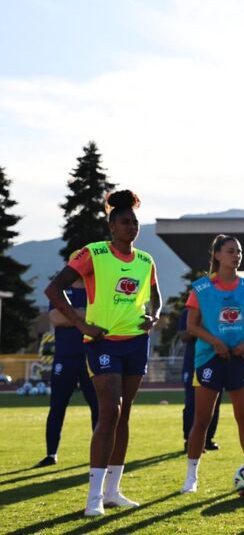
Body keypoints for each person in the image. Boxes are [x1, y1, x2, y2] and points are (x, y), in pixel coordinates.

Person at [44, 190, 161, 517]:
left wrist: (155, 315)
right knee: (109, 410)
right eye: (125, 222)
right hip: (103, 342)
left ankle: (113, 492)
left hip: (137, 342)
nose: (131, 227)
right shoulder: (92, 253)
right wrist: (81, 324)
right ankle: (93, 497)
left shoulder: (145, 260)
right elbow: (53, 290)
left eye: (135, 222)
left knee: (124, 414)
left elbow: (156, 295)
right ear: (111, 227)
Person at [181, 235, 244, 493]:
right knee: (201, 421)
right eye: (230, 251)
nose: (236, 255)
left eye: (239, 252)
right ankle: (191, 477)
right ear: (217, 255)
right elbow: (191, 326)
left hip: (241, 359)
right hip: (209, 359)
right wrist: (215, 342)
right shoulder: (201, 288)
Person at [36, 276, 98, 467]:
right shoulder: (59, 292)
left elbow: (98, 317)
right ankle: (51, 453)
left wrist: (70, 315)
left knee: (98, 407)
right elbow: (56, 318)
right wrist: (83, 315)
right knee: (57, 406)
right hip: (65, 358)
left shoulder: (95, 291)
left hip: (90, 357)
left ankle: (98, 453)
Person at [180, 307, 221, 452]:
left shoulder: (217, 308)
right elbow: (183, 335)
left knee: (214, 403)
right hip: (193, 363)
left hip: (215, 361)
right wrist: (198, 329)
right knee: (192, 402)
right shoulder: (189, 311)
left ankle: (208, 438)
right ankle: (189, 439)